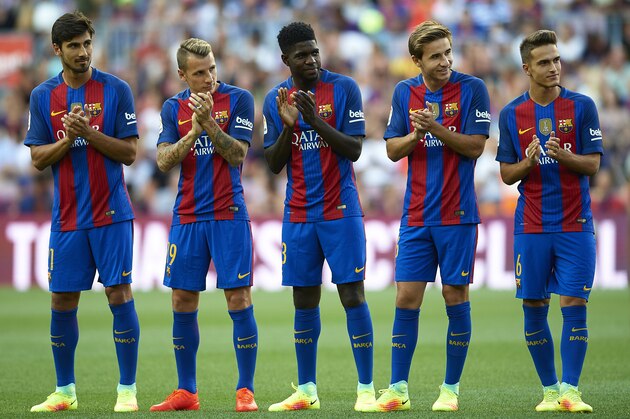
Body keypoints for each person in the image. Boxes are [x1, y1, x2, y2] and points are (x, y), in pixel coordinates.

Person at [25, 11, 140, 413]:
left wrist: (87, 133)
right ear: (57, 50)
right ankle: (65, 391)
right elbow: (39, 158)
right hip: (68, 219)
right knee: (61, 301)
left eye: (87, 43)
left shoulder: (116, 90)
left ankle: (127, 390)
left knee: (118, 293)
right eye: (74, 45)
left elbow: (130, 152)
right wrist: (69, 139)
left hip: (112, 214)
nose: (83, 52)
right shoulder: (43, 97)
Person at [375, 20, 490, 412]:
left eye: (447, 52)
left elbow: (475, 147)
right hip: (416, 214)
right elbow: (392, 149)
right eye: (435, 55)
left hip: (458, 213)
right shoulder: (404, 92)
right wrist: (416, 135)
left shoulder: (472, 89)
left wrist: (436, 127)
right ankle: (397, 389)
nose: (445, 61)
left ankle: (450, 389)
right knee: (406, 297)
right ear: (416, 61)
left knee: (454, 295)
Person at [262, 22, 376, 412]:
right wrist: (288, 128)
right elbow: (273, 164)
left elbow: (354, 150)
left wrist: (315, 121)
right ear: (285, 60)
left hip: (340, 210)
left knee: (351, 294)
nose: (310, 60)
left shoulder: (344, 89)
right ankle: (307, 390)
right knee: (304, 300)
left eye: (314, 52)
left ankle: (365, 389)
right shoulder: (276, 99)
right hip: (298, 214)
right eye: (301, 56)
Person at [149, 38, 258, 413]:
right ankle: (186, 392)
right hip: (188, 215)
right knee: (181, 299)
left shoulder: (239, 99)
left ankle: (245, 392)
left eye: (211, 68)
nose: (209, 77)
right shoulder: (172, 108)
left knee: (238, 298)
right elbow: (163, 160)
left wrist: (209, 123)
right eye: (199, 72)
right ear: (182, 75)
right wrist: (193, 131)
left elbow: (238, 153)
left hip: (229, 212)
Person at [496, 29, 603, 413]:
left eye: (556, 60)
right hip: (532, 226)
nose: (554, 67)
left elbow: (592, 164)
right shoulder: (511, 114)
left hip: (576, 223)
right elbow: (507, 174)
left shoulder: (582, 106)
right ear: (527, 68)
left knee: (575, 303)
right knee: (534, 305)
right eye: (544, 62)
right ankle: (549, 390)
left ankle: (571, 392)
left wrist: (563, 157)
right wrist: (528, 161)